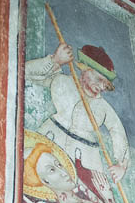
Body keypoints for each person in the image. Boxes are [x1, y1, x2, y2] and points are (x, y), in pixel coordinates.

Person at [26, 43, 129, 182]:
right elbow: (26, 72)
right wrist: (55, 60)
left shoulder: (103, 107)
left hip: (86, 158)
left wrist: (121, 165)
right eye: (99, 79)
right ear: (84, 68)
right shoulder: (61, 81)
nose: (101, 87)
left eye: (105, 84)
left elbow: (117, 130)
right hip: (50, 142)